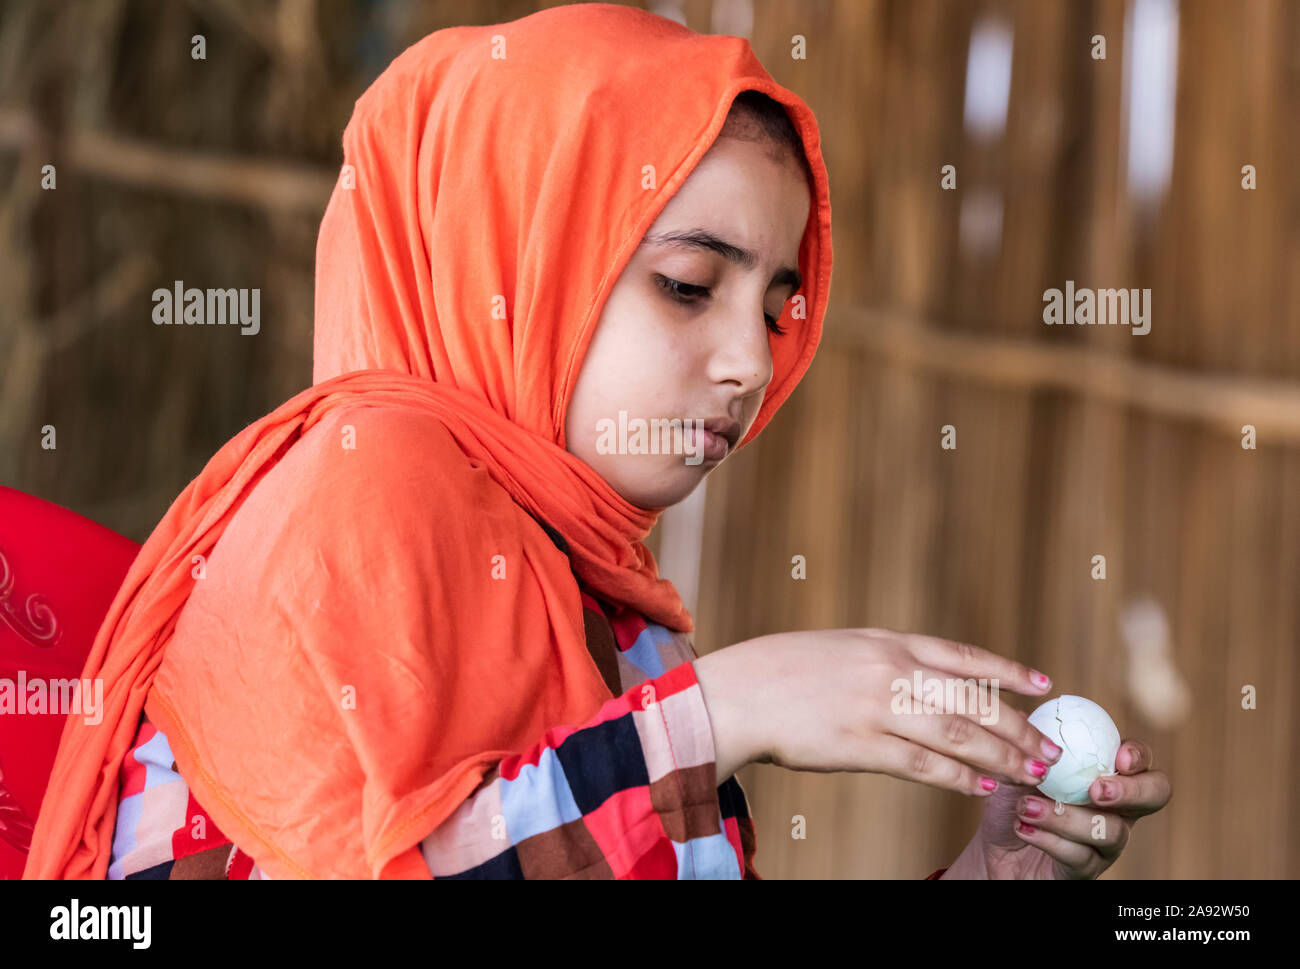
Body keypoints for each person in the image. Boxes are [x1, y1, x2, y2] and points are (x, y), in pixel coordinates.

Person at [24, 3, 1168, 880]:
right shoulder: (365, 491)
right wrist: (730, 714)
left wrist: (988, 872)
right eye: (685, 285)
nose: (752, 362)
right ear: (512, 264)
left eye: (774, 306)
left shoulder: (603, 609)